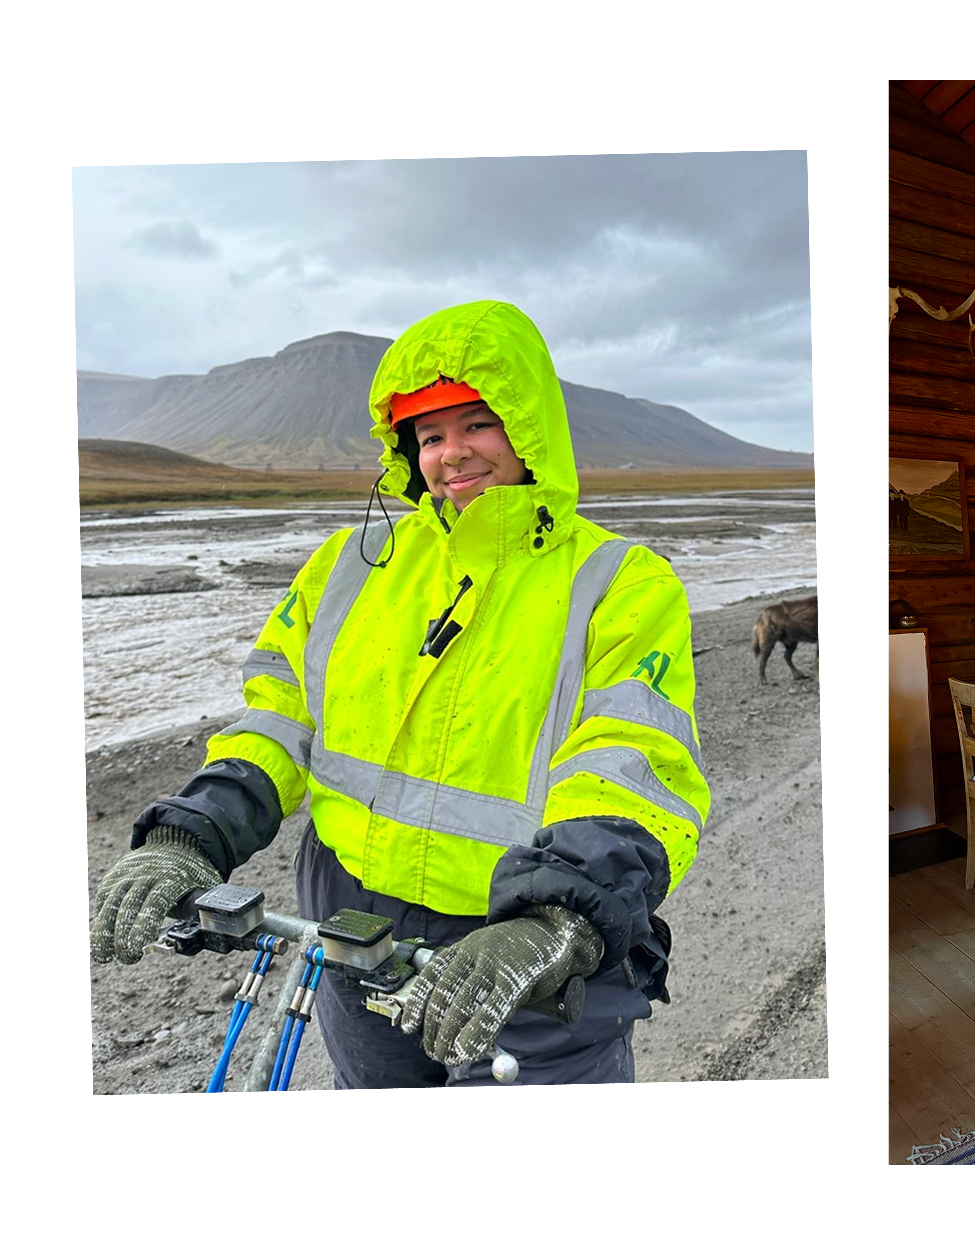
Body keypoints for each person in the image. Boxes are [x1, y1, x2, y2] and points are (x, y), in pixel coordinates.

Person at [88, 300, 710, 1087]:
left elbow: (632, 759)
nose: (453, 454)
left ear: (528, 426)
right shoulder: (351, 564)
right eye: (429, 435)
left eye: (478, 423)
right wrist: (193, 833)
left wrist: (559, 918)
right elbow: (279, 718)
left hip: (516, 949)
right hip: (351, 930)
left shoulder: (619, 583)